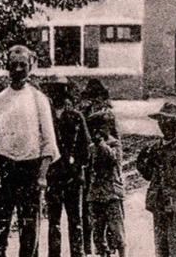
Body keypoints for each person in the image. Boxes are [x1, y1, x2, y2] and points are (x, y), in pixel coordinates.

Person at [0, 44, 59, 257]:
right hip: (4, 170)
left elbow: (49, 144)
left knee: (29, 230)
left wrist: (42, 175)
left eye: (23, 65)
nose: (18, 70)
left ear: (31, 67)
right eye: (14, 65)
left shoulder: (39, 100)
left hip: (30, 171)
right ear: (7, 67)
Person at [135, 103, 176, 257]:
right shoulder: (155, 148)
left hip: (175, 203)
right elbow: (149, 174)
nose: (165, 126)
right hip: (158, 201)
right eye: (162, 122)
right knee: (161, 245)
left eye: (170, 123)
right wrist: (142, 162)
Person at [44, 78, 89, 257]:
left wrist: (76, 165)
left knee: (75, 220)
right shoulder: (45, 118)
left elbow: (85, 149)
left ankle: (77, 254)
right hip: (52, 176)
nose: (57, 96)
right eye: (54, 92)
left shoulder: (76, 117)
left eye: (60, 91)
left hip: (73, 176)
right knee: (53, 221)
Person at [79, 78, 117, 256]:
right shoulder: (84, 113)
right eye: (92, 97)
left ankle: (109, 245)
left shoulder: (108, 115)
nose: (95, 101)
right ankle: (89, 247)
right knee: (89, 208)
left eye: (98, 97)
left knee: (109, 207)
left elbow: (115, 141)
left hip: (106, 164)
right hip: (89, 163)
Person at [87, 114, 126, 257]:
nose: (98, 130)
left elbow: (113, 159)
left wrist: (101, 144)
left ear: (108, 127)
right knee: (98, 233)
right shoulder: (92, 146)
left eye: (101, 127)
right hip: (96, 194)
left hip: (112, 193)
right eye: (95, 128)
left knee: (117, 232)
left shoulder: (115, 144)